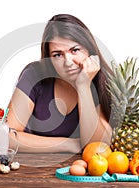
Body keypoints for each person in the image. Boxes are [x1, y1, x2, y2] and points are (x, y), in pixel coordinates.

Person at [7, 14, 113, 153]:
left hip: (84, 173)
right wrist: (70, 144)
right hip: (31, 170)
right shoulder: (34, 75)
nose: (68, 62)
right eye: (58, 54)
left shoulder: (102, 81)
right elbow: (6, 137)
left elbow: (97, 146)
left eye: (74, 50)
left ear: (89, 50)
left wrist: (83, 87)